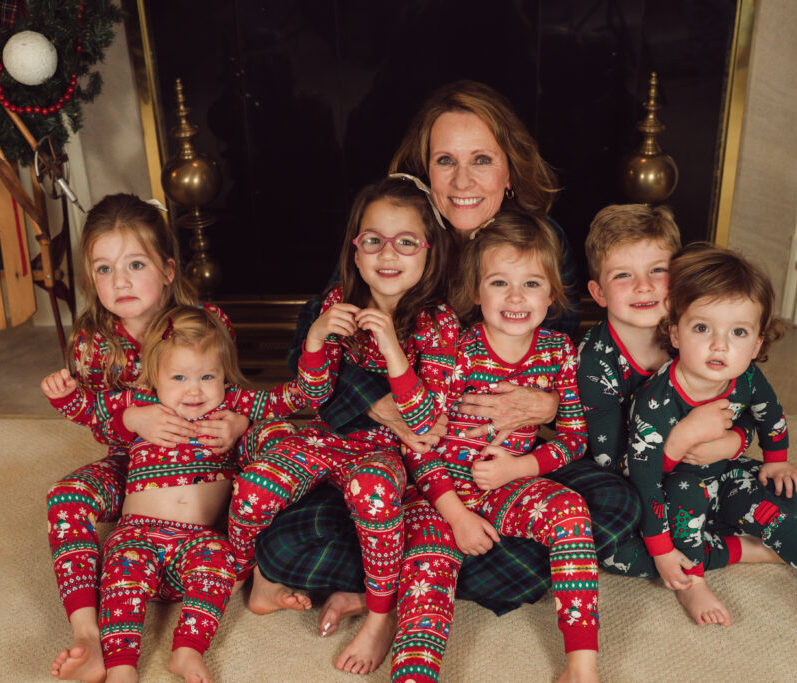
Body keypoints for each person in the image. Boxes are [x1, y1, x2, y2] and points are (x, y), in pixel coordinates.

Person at [257, 80, 638, 635]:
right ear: (424, 171)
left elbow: (564, 351)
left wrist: (550, 404)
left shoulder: (540, 240)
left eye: (481, 160)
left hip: (506, 467)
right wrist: (376, 403)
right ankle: (418, 569)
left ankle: (389, 579)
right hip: (412, 463)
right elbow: (311, 340)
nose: (463, 181)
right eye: (445, 161)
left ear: (509, 170)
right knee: (285, 541)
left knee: (616, 505)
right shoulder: (398, 233)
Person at [228, 175, 460, 674]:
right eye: (372, 240)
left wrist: (395, 355)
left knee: (373, 491)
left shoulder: (436, 322)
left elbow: (425, 423)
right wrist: (315, 338)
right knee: (252, 485)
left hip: (388, 455)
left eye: (405, 242)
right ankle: (248, 577)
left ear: (429, 252)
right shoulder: (339, 305)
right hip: (330, 440)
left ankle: (379, 615)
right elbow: (312, 394)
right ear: (356, 253)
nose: (387, 254)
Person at [44, 194, 262, 683]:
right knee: (64, 498)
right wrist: (131, 418)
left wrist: (239, 424)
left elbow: (238, 392)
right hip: (132, 464)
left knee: (265, 477)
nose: (118, 281)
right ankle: (88, 636)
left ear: (166, 270)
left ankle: (223, 583)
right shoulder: (92, 342)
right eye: (103, 269)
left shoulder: (207, 323)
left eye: (134, 264)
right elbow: (95, 419)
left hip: (204, 462)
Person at [624, 243, 797, 634]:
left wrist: (776, 459)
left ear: (757, 344)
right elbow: (644, 481)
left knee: (784, 504)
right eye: (702, 328)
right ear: (675, 333)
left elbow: (771, 415)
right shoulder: (657, 400)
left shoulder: (746, 378)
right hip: (674, 490)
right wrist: (663, 552)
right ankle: (694, 580)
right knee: (684, 498)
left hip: (727, 473)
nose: (720, 344)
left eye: (739, 332)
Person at [387, 211, 598, 682]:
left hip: (507, 485)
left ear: (552, 293)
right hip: (438, 497)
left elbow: (574, 440)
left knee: (572, 510)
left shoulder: (558, 351)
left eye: (532, 283)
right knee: (428, 577)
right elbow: (419, 444)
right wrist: (457, 516)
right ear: (475, 292)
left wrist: (521, 468)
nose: (516, 297)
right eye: (499, 283)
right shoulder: (457, 349)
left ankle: (581, 666)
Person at [43, 306, 296, 682]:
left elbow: (285, 400)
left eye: (207, 376)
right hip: (137, 535)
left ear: (224, 375)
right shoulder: (142, 403)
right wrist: (64, 396)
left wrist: (244, 421)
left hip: (198, 544)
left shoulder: (230, 406)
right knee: (120, 582)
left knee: (219, 560)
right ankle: (120, 667)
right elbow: (91, 411)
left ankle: (187, 651)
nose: (194, 389)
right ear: (154, 379)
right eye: (178, 377)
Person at [577, 205, 797, 580]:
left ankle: (698, 529)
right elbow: (612, 461)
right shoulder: (593, 361)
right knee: (613, 547)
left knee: (791, 497)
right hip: (637, 484)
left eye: (658, 270)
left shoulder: (697, 333)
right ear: (598, 293)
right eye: (623, 275)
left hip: (705, 471)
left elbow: (747, 403)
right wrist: (680, 440)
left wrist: (734, 441)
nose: (644, 286)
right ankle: (736, 549)